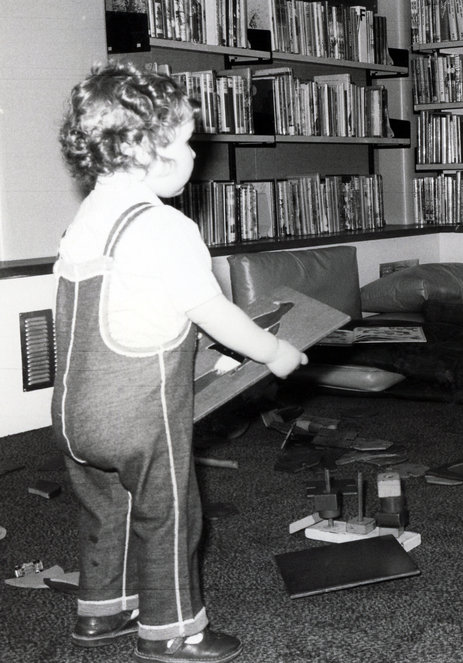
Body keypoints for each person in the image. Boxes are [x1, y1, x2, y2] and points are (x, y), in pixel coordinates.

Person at [52, 61, 306, 663]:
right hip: (138, 413)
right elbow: (211, 309)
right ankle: (173, 630)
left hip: (71, 414)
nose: (195, 155)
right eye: (185, 142)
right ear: (143, 147)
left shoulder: (87, 218)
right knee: (170, 513)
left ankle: (101, 610)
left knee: (105, 506)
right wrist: (271, 351)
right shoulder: (166, 226)